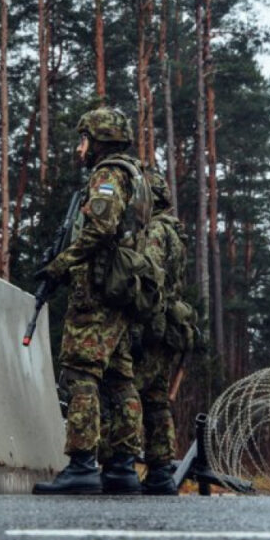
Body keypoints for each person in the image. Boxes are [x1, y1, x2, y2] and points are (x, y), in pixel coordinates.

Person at [32, 107, 151, 495]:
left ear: (99, 141)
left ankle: (82, 465)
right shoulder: (134, 177)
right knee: (119, 380)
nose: (80, 148)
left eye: (84, 139)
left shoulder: (108, 176)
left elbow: (99, 228)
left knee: (81, 372)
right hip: (119, 292)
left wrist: (59, 265)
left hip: (98, 292)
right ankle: (121, 468)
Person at [133, 171, 189, 495]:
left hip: (153, 323)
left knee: (129, 392)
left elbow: (149, 276)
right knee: (156, 400)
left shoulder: (155, 231)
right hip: (168, 325)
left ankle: (122, 464)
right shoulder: (175, 234)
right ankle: (160, 471)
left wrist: (138, 322)